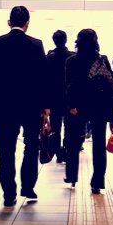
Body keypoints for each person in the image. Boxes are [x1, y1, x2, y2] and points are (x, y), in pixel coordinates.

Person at [0, 6, 49, 207]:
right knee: (31, 145)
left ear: (9, 22)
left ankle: (8, 193)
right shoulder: (36, 44)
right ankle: (28, 186)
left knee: (6, 148)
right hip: (31, 105)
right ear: (27, 24)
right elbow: (42, 77)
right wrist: (45, 106)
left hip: (5, 105)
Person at [63, 29, 113, 193]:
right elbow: (110, 83)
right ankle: (97, 181)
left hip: (78, 105)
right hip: (99, 105)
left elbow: (69, 85)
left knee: (73, 142)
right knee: (99, 143)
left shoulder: (71, 61)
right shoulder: (102, 59)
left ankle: (72, 176)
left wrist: (71, 105)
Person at [46, 30, 74, 164]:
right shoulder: (72, 56)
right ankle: (67, 150)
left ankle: (58, 152)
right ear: (66, 40)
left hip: (54, 98)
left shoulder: (49, 57)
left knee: (55, 127)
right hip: (69, 98)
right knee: (69, 127)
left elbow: (45, 80)